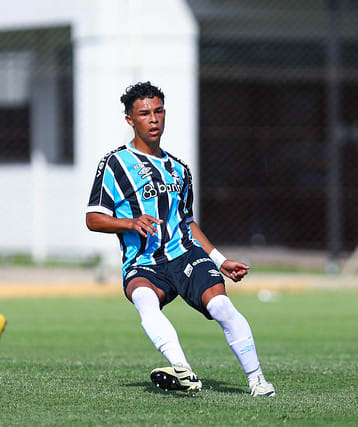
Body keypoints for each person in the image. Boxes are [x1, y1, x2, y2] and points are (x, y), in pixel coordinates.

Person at [86, 82, 275, 396]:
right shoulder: (115, 164)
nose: (154, 119)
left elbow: (187, 223)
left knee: (221, 307)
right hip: (144, 262)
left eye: (158, 111)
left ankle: (258, 382)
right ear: (130, 120)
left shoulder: (180, 170)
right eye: (144, 113)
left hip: (185, 255)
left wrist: (220, 260)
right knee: (145, 302)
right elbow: (93, 218)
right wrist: (130, 222)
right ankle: (184, 372)